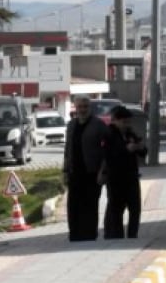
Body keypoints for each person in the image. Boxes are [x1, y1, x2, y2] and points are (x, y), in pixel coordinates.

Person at [63, 96, 106, 241]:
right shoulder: (71, 125)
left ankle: (90, 235)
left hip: (92, 173)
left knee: (90, 205)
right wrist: (65, 171)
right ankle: (75, 235)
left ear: (90, 107)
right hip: (74, 173)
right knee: (73, 205)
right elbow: (67, 149)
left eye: (85, 106)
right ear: (75, 108)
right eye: (79, 107)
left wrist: (103, 171)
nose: (82, 110)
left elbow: (107, 149)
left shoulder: (98, 125)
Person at [100, 106, 147, 239]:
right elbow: (109, 154)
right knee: (116, 209)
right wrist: (126, 150)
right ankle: (116, 236)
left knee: (135, 208)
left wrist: (140, 147)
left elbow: (143, 152)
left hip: (131, 176)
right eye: (124, 122)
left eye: (128, 122)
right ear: (115, 120)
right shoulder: (109, 134)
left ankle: (132, 235)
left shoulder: (130, 134)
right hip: (115, 178)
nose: (127, 125)